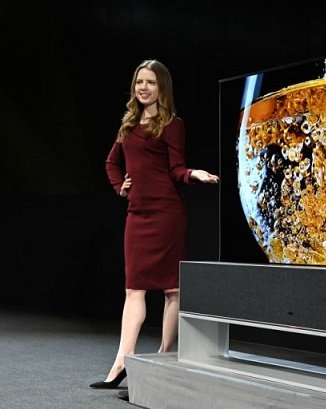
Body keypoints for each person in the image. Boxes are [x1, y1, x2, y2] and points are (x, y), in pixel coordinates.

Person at [89, 59, 219, 390]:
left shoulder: (172, 124)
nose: (143, 88)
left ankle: (163, 356)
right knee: (133, 288)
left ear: (162, 87)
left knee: (172, 290)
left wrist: (193, 174)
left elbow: (176, 168)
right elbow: (110, 162)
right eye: (138, 83)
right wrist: (120, 186)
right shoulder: (128, 124)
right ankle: (121, 361)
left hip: (166, 213)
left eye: (150, 82)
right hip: (138, 214)